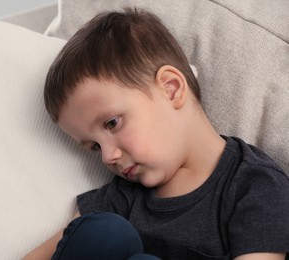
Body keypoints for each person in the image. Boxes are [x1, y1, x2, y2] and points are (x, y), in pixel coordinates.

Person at [24, 8, 289, 260]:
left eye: (112, 123)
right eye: (94, 146)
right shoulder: (123, 197)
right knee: (102, 233)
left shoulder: (255, 186)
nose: (107, 157)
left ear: (171, 89)